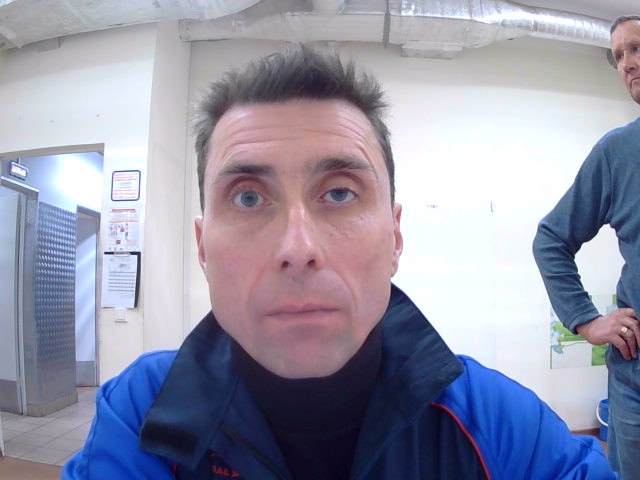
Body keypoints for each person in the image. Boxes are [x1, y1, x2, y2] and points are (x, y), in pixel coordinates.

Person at [63, 46, 614, 480]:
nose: (297, 247)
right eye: (248, 197)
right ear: (203, 247)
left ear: (395, 237)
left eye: (340, 193)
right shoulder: (137, 414)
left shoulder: (501, 426)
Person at [532, 14, 640, 480]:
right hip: (635, 381)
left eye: (636, 48)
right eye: (618, 56)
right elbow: (551, 238)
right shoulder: (617, 152)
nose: (627, 63)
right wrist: (586, 320)